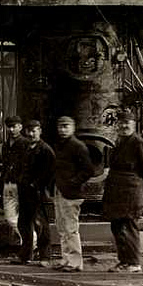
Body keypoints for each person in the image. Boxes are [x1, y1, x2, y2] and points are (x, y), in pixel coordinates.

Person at [103, 107, 143, 273]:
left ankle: (134, 262)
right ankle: (123, 261)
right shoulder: (119, 142)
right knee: (116, 225)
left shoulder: (138, 143)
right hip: (117, 191)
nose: (124, 126)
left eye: (127, 123)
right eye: (121, 123)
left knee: (129, 225)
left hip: (131, 191)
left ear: (134, 124)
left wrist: (139, 186)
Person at [50, 115, 98, 272]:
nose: (63, 130)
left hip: (71, 194)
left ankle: (76, 262)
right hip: (60, 191)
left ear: (73, 128)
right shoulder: (60, 145)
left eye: (66, 126)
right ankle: (66, 259)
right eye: (60, 126)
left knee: (71, 228)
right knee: (62, 227)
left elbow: (88, 170)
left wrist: (73, 182)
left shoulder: (78, 146)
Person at [9, 119, 54, 265]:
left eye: (34, 131)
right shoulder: (27, 148)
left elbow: (50, 172)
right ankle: (26, 255)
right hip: (24, 191)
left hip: (38, 193)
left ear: (40, 131)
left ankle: (45, 256)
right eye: (29, 131)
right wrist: (19, 180)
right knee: (23, 223)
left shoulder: (45, 150)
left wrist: (37, 185)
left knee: (40, 224)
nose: (31, 134)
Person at [0, 115, 25, 245]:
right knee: (10, 217)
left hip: (20, 183)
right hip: (8, 183)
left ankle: (30, 243)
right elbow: (5, 165)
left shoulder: (24, 143)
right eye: (9, 127)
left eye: (14, 127)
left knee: (24, 216)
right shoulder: (6, 145)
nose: (11, 129)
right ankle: (28, 241)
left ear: (20, 127)